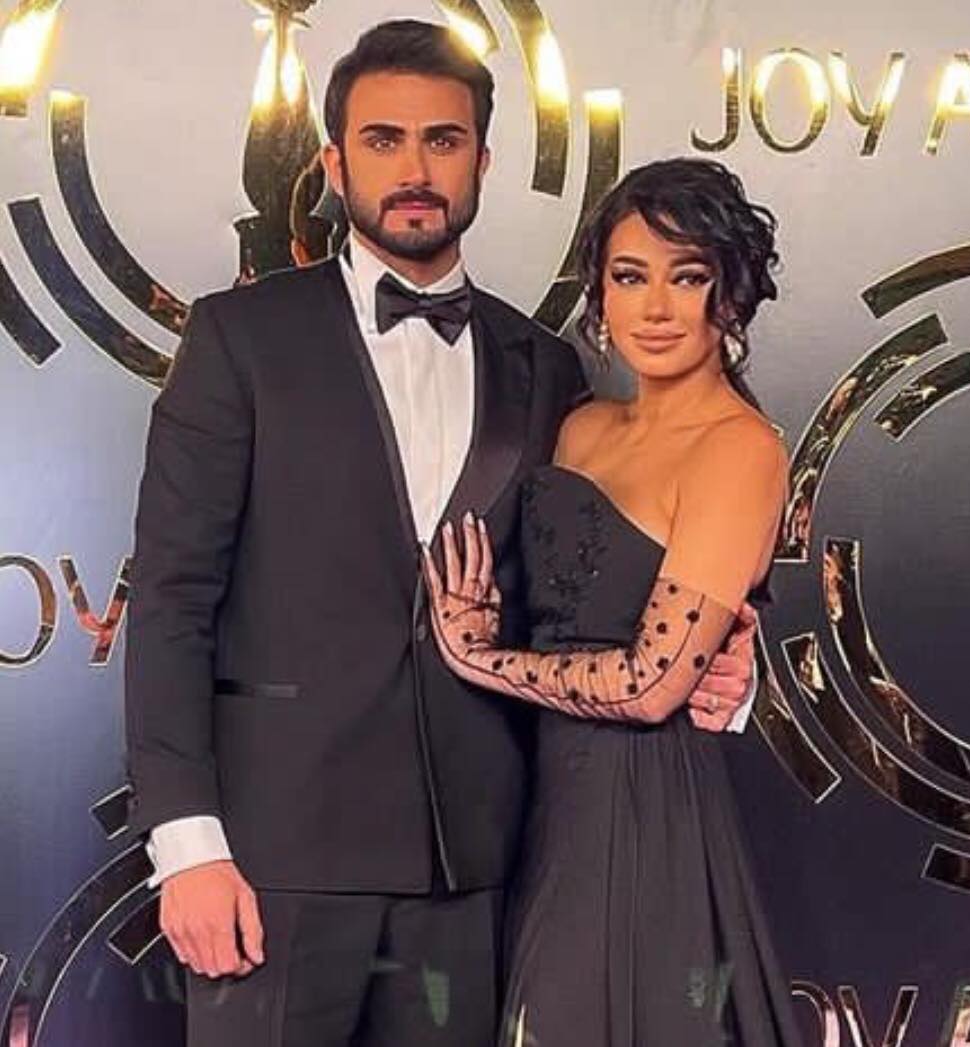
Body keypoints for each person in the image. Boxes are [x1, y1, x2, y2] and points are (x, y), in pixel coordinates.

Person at [124, 22, 752, 1046]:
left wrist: (726, 656)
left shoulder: (546, 366)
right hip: (273, 859)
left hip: (481, 864)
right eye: (384, 140)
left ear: (483, 162)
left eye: (443, 140)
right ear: (333, 164)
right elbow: (169, 601)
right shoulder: (241, 340)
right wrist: (188, 845)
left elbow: (608, 562)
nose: (415, 169)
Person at [424, 158, 804, 1045]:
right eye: (631, 277)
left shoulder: (740, 448)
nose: (657, 307)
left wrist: (479, 655)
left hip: (646, 808)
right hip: (544, 801)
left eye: (687, 276)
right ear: (599, 293)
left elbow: (652, 683)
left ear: (730, 293)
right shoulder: (580, 426)